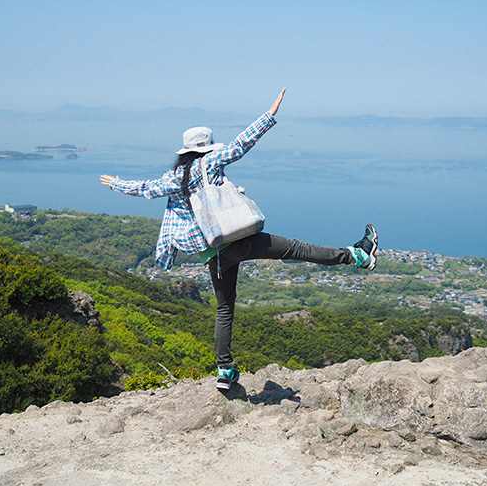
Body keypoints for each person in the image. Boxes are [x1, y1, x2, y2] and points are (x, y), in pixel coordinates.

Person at [100, 89, 378, 390]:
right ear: (207, 147)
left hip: (215, 256)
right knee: (298, 249)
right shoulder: (210, 163)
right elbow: (241, 144)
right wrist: (269, 115)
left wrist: (116, 184)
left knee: (224, 309)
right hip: (241, 239)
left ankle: (224, 371)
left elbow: (143, 188)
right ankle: (358, 256)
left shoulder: (174, 178)